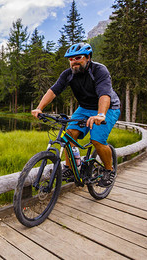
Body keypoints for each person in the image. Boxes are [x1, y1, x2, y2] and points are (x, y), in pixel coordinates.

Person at [32, 42, 121, 187]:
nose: (74, 62)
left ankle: (109, 170)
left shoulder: (99, 70)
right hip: (84, 108)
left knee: (97, 140)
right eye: (71, 59)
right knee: (69, 134)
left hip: (108, 108)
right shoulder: (68, 74)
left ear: (88, 58)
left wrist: (101, 115)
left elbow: (104, 94)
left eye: (78, 58)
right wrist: (39, 108)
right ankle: (71, 168)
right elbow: (53, 91)